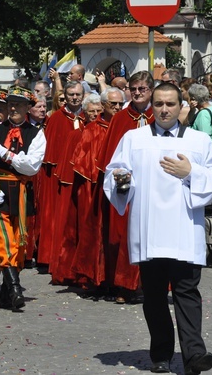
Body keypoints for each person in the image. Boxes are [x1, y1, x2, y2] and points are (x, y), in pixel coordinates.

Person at [104, 82, 212, 375]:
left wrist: (192, 173)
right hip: (150, 230)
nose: (163, 109)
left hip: (185, 228)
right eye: (158, 104)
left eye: (170, 104)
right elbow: (115, 174)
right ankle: (161, 352)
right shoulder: (134, 138)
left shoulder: (198, 141)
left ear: (180, 105)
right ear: (152, 105)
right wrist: (122, 182)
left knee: (187, 292)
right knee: (156, 295)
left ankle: (194, 355)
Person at [0, 86, 46, 310]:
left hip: (21, 193)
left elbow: (32, 166)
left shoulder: (36, 133)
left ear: (27, 108)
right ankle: (14, 287)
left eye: (19, 104)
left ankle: (6, 290)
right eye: (10, 104)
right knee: (4, 240)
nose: (13, 108)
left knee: (20, 246)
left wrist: (4, 153)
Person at [98, 71, 155, 304]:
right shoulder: (120, 119)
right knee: (124, 237)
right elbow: (110, 158)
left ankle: (151, 284)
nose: (138, 93)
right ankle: (124, 285)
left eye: (143, 88)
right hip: (127, 191)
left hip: (153, 189)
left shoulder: (159, 116)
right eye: (134, 89)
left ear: (151, 90)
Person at [68, 86, 124, 289]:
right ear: (104, 106)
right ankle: (97, 278)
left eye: (120, 104)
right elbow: (83, 162)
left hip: (124, 190)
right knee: (98, 235)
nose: (117, 107)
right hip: (97, 190)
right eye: (113, 104)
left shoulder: (128, 127)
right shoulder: (92, 129)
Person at [37, 81, 85, 280]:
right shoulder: (56, 118)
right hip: (58, 177)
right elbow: (49, 154)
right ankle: (54, 258)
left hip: (82, 176)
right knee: (58, 218)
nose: (74, 98)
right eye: (71, 94)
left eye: (78, 94)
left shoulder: (88, 116)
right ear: (65, 95)